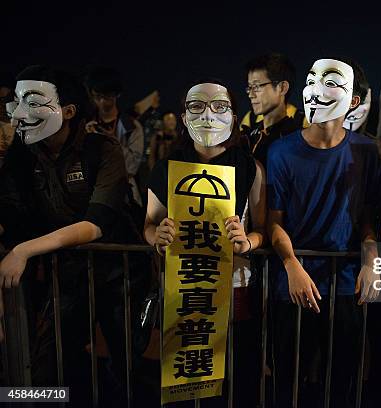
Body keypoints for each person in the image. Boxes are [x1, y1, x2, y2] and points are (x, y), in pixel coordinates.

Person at [0, 65, 148, 406]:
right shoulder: (22, 156)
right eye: (17, 101)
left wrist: (23, 251)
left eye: (33, 101)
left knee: (127, 362)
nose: (20, 113)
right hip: (66, 276)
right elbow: (8, 212)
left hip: (119, 277)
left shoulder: (104, 149)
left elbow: (95, 224)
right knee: (46, 368)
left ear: (68, 111)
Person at [267, 57, 381, 407]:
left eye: (331, 81)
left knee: (341, 380)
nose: (317, 89)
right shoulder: (282, 150)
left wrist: (371, 259)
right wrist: (292, 266)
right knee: (288, 379)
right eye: (311, 79)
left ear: (354, 101)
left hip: (346, 283)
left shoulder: (366, 150)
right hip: (294, 286)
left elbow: (368, 218)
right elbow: (273, 221)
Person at [145, 79, 266, 407]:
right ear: (184, 117)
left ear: (233, 115)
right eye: (196, 106)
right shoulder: (166, 167)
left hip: (235, 285)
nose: (208, 115)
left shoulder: (250, 168)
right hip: (184, 287)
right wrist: (156, 236)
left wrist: (248, 242)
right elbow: (149, 223)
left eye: (220, 106)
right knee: (187, 379)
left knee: (237, 376)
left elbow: (263, 228)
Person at [85, 66, 145, 207]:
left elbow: (132, 166)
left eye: (107, 97)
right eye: (97, 96)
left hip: (125, 194)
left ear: (117, 94)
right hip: (94, 193)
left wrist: (112, 141)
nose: (102, 102)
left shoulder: (132, 126)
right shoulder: (87, 126)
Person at [241, 53, 305, 167]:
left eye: (257, 87)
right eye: (249, 87)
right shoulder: (247, 136)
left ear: (282, 88)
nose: (251, 94)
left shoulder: (296, 139)